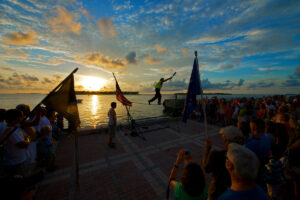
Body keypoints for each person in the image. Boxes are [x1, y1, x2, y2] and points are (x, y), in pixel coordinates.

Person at [202, 126, 244, 200]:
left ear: (226, 140)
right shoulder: (243, 155)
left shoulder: (216, 155)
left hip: (217, 191)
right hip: (235, 191)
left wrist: (207, 150)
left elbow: (206, 168)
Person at [3, 109, 30, 177]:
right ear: (17, 118)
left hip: (20, 160)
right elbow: (22, 144)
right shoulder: (10, 131)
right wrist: (28, 140)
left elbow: (26, 136)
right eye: (22, 116)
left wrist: (26, 139)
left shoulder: (16, 128)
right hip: (16, 163)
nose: (23, 118)